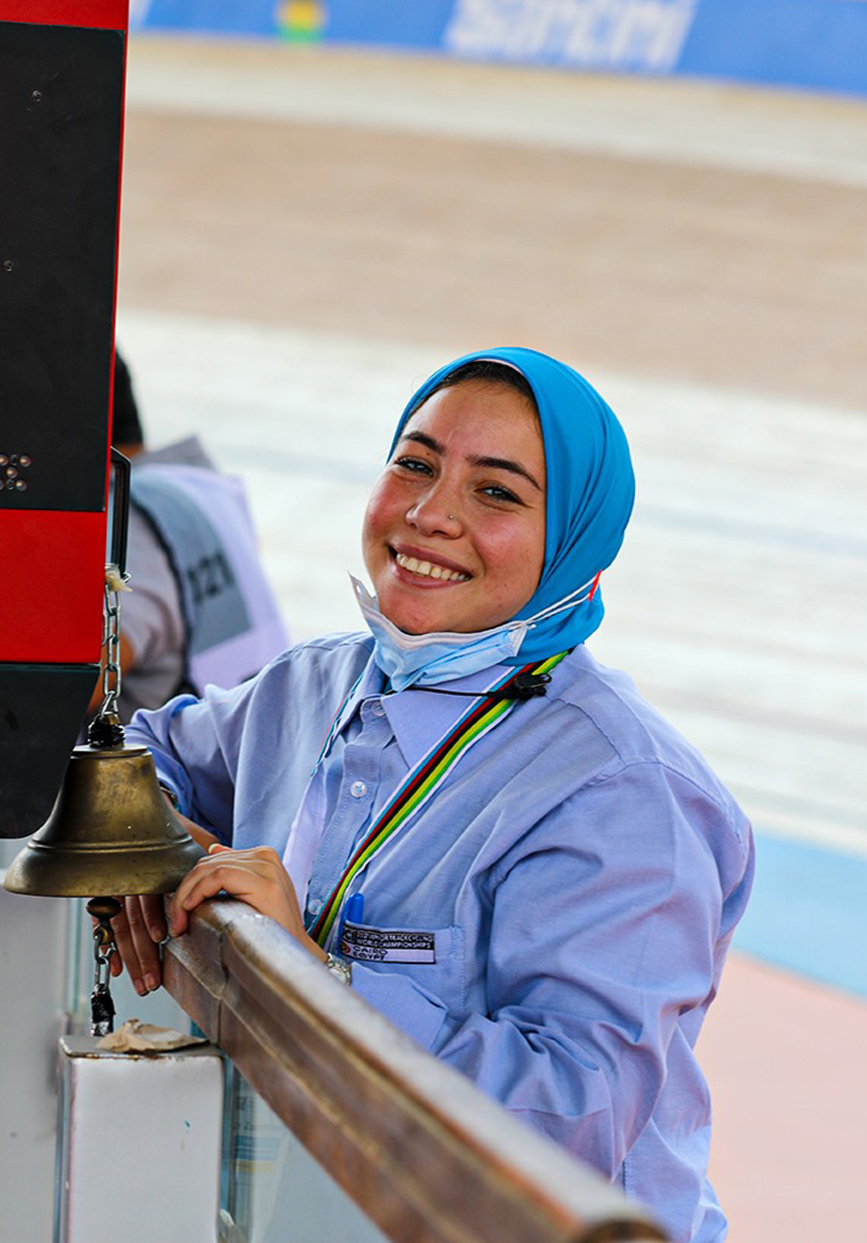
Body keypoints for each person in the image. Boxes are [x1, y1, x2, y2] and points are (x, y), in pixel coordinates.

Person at [109, 348, 754, 1243]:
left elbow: (573, 1117)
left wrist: (311, 976)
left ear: (577, 540)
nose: (428, 514)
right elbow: (138, 757)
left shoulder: (624, 795)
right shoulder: (313, 687)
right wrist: (145, 849)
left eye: (497, 493)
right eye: (415, 464)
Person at [107, 350, 289, 720]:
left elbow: (43, 703)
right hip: (252, 746)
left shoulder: (129, 523)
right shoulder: (195, 487)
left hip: (178, 769)